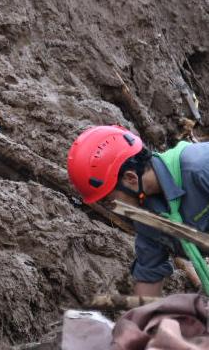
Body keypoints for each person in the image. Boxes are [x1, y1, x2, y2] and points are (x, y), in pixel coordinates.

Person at [68, 126, 209, 297]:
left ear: (130, 179)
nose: (111, 210)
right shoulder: (149, 219)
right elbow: (149, 279)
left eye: (108, 200)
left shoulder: (200, 168)